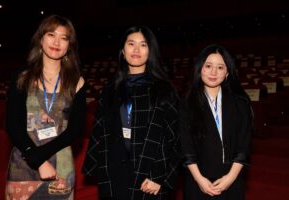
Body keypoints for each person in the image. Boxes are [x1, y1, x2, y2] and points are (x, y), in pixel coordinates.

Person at [82, 26, 181, 200]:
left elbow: (175, 137)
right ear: (122, 50)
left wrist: (159, 176)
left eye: (143, 45)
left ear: (150, 51)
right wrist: (100, 169)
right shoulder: (111, 89)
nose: (136, 50)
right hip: (114, 172)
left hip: (149, 175)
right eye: (131, 44)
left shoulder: (164, 89)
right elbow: (100, 132)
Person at [5, 15, 86, 199]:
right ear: (41, 39)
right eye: (51, 34)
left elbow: (76, 130)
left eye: (64, 37)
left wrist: (40, 157)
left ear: (69, 46)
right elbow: (13, 124)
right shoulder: (22, 76)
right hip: (23, 162)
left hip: (61, 166)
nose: (57, 42)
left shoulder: (77, 82)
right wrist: (37, 159)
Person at [180, 44, 253, 200]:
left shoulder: (240, 103)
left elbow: (244, 144)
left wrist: (230, 178)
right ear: (200, 69)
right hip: (198, 181)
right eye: (208, 66)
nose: (213, 72)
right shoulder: (186, 104)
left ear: (227, 72)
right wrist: (199, 179)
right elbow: (186, 146)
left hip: (232, 180)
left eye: (220, 67)